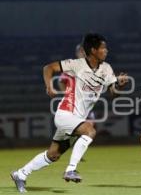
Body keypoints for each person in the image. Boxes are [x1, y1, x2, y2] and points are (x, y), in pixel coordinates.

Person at [11, 33, 129, 193]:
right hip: (65, 114)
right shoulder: (76, 64)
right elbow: (49, 67)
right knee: (90, 130)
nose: (106, 50)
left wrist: (119, 85)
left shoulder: (106, 69)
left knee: (53, 155)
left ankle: (21, 174)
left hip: (76, 119)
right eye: (103, 48)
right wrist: (49, 86)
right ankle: (71, 169)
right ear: (93, 50)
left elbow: (113, 94)